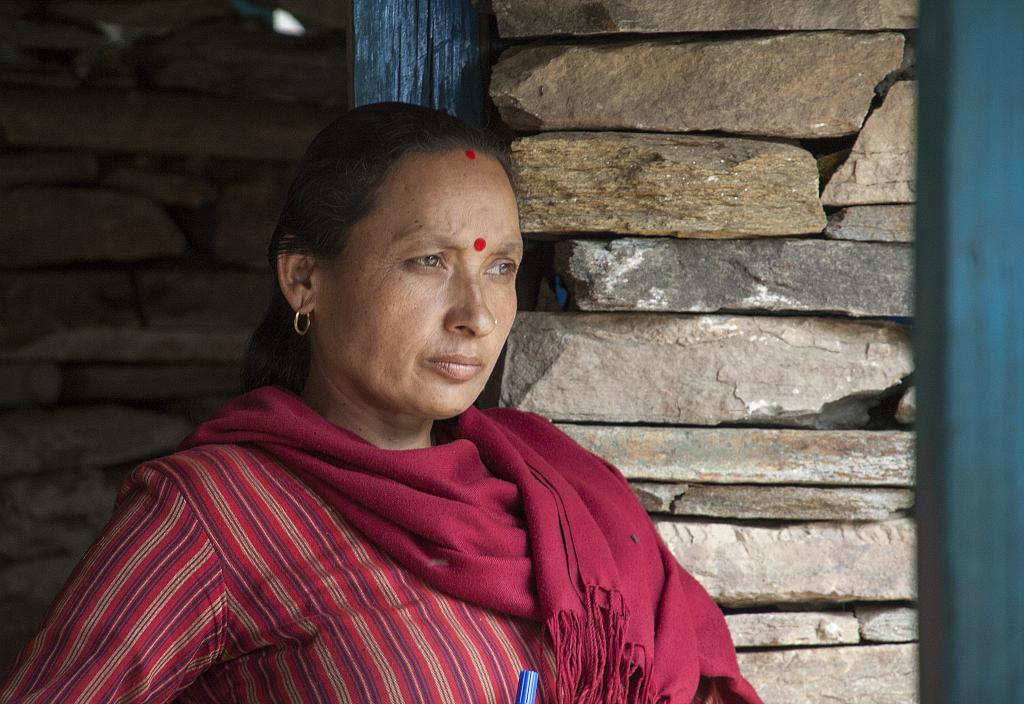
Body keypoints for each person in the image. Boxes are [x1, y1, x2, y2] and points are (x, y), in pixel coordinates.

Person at [0, 103, 762, 704]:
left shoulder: (552, 487)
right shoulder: (213, 515)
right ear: (304, 279)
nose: (477, 313)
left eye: (501, 268)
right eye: (428, 262)